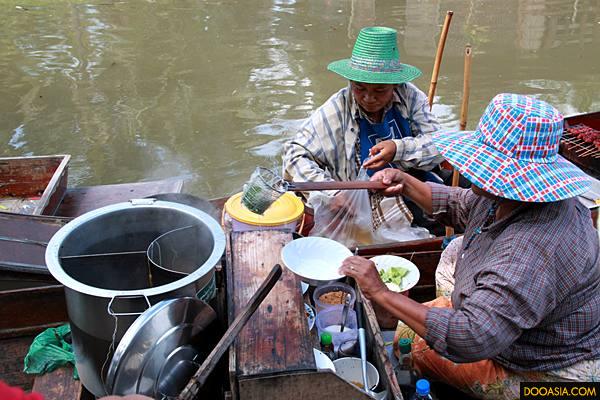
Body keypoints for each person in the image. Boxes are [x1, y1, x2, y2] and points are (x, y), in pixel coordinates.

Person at [340, 94, 600, 399]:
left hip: (555, 371)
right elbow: (460, 205)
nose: (467, 167)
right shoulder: (513, 197)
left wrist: (380, 292)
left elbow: (468, 337)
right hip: (527, 325)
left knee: (410, 342)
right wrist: (405, 181)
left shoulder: (529, 250)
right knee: (453, 253)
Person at [282, 26, 445, 239]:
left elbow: (440, 146)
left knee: (450, 204)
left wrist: (398, 149)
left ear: (394, 85)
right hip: (361, 202)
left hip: (408, 187)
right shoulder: (336, 110)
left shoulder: (410, 97)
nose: (369, 98)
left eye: (379, 90)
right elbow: (294, 156)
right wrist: (333, 193)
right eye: (360, 88)